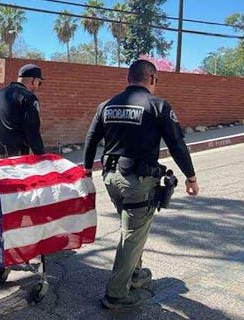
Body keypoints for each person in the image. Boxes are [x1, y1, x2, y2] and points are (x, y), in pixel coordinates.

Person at [83, 59, 200, 309]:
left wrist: (85, 171)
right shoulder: (158, 106)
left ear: (128, 79)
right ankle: (116, 294)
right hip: (137, 181)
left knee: (134, 230)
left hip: (111, 178)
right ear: (152, 79)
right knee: (132, 234)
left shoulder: (107, 105)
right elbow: (177, 144)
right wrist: (191, 177)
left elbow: (91, 138)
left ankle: (135, 275)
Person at [0, 63, 45, 159]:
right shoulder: (29, 98)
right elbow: (32, 131)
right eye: (39, 83)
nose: (38, 86)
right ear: (34, 80)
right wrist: (42, 157)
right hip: (14, 158)